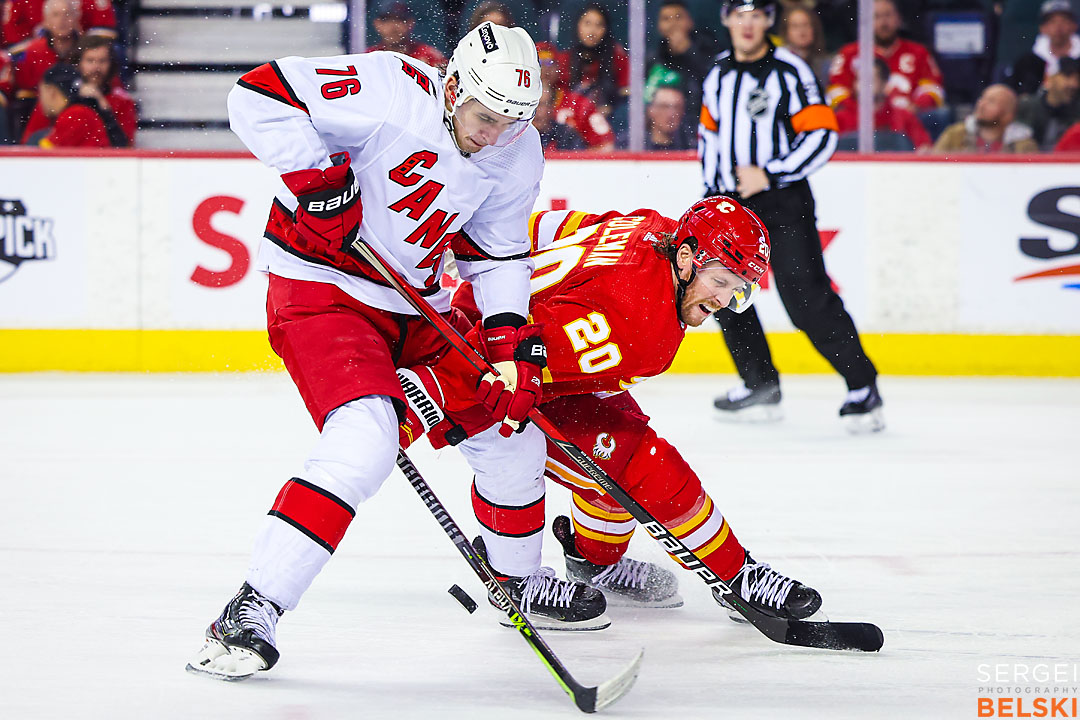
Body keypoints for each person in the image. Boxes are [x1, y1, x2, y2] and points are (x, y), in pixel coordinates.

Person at [187, 21, 607, 682]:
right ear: (454, 83)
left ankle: (517, 581)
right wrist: (320, 182)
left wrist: (511, 347)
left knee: (511, 431)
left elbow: (495, 253)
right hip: (322, 289)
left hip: (417, 305)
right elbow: (258, 94)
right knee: (365, 440)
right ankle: (252, 607)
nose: (494, 134)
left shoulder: (516, 148)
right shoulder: (388, 86)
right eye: (485, 116)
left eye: (511, 122)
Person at [396, 197, 824, 621]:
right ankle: (736, 576)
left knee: (623, 442)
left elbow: (552, 227)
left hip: (502, 328)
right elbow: (501, 365)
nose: (724, 301)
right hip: (483, 356)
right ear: (689, 258)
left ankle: (595, 563)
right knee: (636, 461)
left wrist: (482, 252)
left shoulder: (653, 227)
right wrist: (408, 408)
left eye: (738, 289)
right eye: (721, 281)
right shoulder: (639, 325)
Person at [700, 0, 884, 432]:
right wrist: (710, 198)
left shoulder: (790, 69)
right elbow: (710, 140)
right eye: (739, 15)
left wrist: (771, 172)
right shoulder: (717, 73)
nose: (747, 25)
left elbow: (822, 134)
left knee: (806, 298)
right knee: (722, 291)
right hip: (731, 203)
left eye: (756, 16)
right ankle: (760, 384)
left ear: (767, 21)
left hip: (782, 201)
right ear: (727, 20)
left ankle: (862, 386)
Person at [827, 0, 945, 113]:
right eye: (876, 17)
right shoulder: (849, 53)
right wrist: (857, 111)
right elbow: (836, 91)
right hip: (860, 123)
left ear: (898, 19)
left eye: (888, 15)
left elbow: (933, 88)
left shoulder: (919, 52)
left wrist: (916, 107)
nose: (883, 22)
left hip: (909, 121)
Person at [20, 34, 134, 144]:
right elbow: (31, 141)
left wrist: (104, 109)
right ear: (78, 63)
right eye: (90, 60)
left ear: (111, 64)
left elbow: (125, 147)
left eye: (102, 61)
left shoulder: (122, 101)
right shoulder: (56, 97)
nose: (96, 67)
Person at [647, 0, 719, 128]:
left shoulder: (709, 50)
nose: (673, 24)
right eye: (666, 19)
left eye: (678, 17)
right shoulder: (653, 59)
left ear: (690, 21)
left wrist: (688, 51)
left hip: (700, 124)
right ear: (659, 26)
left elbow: (712, 83)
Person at [835, 56, 932, 150]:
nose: (863, 85)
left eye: (870, 80)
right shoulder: (840, 119)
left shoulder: (904, 117)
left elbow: (924, 149)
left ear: (884, 84)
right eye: (859, 79)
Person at [23, 62, 121, 146]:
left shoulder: (75, 114)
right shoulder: (80, 112)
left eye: (41, 93)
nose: (41, 100)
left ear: (51, 91)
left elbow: (42, 156)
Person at [538, 42, 615, 150]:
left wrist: (576, 161)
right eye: (539, 63)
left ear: (559, 67)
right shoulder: (515, 104)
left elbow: (606, 145)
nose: (545, 69)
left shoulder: (579, 104)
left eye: (550, 63)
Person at [563, 3, 629, 118]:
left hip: (609, 120)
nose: (592, 31)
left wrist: (611, 107)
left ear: (606, 29)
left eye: (599, 25)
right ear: (578, 25)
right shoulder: (566, 59)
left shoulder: (618, 58)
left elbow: (627, 93)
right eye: (587, 23)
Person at [1003, 0, 1080, 97]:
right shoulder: (1028, 62)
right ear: (1042, 28)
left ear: (1074, 26)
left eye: (1064, 21)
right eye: (1052, 22)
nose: (1058, 27)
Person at [933, 84, 1039, 153]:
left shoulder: (1024, 146)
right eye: (982, 98)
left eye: (991, 102)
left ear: (1008, 115)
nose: (982, 105)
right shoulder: (954, 134)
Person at [11, 0, 80, 100]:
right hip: (41, 109)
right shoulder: (32, 52)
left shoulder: (86, 50)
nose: (62, 20)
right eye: (56, 15)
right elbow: (24, 94)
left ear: (75, 19)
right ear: (46, 22)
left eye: (67, 14)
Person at [1016, 56, 1080, 149]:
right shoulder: (1027, 105)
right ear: (1049, 77)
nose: (1074, 84)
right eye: (1067, 76)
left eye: (1078, 79)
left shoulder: (1077, 111)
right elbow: (1015, 145)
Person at [1, 0, 115, 48]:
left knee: (110, 52)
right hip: (38, 52)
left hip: (81, 50)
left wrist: (83, 45)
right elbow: (12, 40)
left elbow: (105, 30)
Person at [368, 1, 446, 69]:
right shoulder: (369, 57)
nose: (393, 27)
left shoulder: (429, 56)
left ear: (410, 23)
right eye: (387, 20)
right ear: (377, 24)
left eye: (399, 20)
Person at [618, 83, 696, 150]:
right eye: (664, 106)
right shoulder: (631, 145)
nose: (671, 113)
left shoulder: (690, 146)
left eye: (677, 107)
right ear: (651, 110)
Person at [779, 5, 830, 86]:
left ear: (814, 29)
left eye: (805, 25)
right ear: (786, 31)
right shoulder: (779, 61)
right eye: (795, 26)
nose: (801, 31)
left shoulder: (826, 65)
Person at [533, 82, 587, 151]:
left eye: (541, 105)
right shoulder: (518, 134)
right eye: (532, 105)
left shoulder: (566, 135)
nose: (535, 110)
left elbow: (578, 159)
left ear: (551, 107)